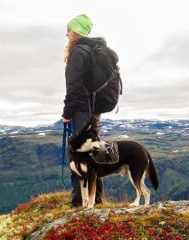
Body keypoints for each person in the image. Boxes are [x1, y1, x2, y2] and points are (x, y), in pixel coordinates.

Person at [62, 14, 104, 208]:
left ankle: (78, 202)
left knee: (78, 154)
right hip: (94, 110)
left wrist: (66, 113)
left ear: (77, 31)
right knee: (93, 152)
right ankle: (96, 198)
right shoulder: (92, 50)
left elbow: (74, 86)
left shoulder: (78, 52)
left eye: (69, 30)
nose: (67, 33)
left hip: (80, 110)